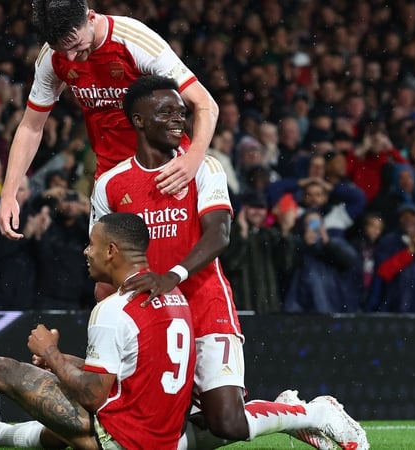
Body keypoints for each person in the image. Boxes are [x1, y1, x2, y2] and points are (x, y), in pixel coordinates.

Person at [91, 75, 368, 449]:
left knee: (228, 422)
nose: (178, 120)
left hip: (205, 303)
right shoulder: (110, 183)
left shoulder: (204, 167)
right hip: (151, 316)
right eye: (166, 112)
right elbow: (103, 255)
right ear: (138, 120)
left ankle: (316, 414)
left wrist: (171, 276)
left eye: (181, 112)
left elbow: (220, 234)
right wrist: (106, 308)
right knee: (155, 430)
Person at [0, 212, 196, 449]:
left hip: (120, 442)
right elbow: (131, 374)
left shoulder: (113, 309)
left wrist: (50, 353)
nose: (86, 252)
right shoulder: (173, 297)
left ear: (111, 251)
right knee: (59, 412)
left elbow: (92, 396)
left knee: (5, 371)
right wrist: (64, 359)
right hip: (164, 440)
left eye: (92, 244)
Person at [0, 0, 219, 240]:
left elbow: (205, 103)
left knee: (172, 268)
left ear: (90, 18)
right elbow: (31, 127)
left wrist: (193, 159)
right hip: (110, 179)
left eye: (75, 45)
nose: (71, 57)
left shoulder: (133, 40)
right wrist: (8, 193)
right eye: (63, 50)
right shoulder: (52, 57)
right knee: (108, 271)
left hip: (167, 172)